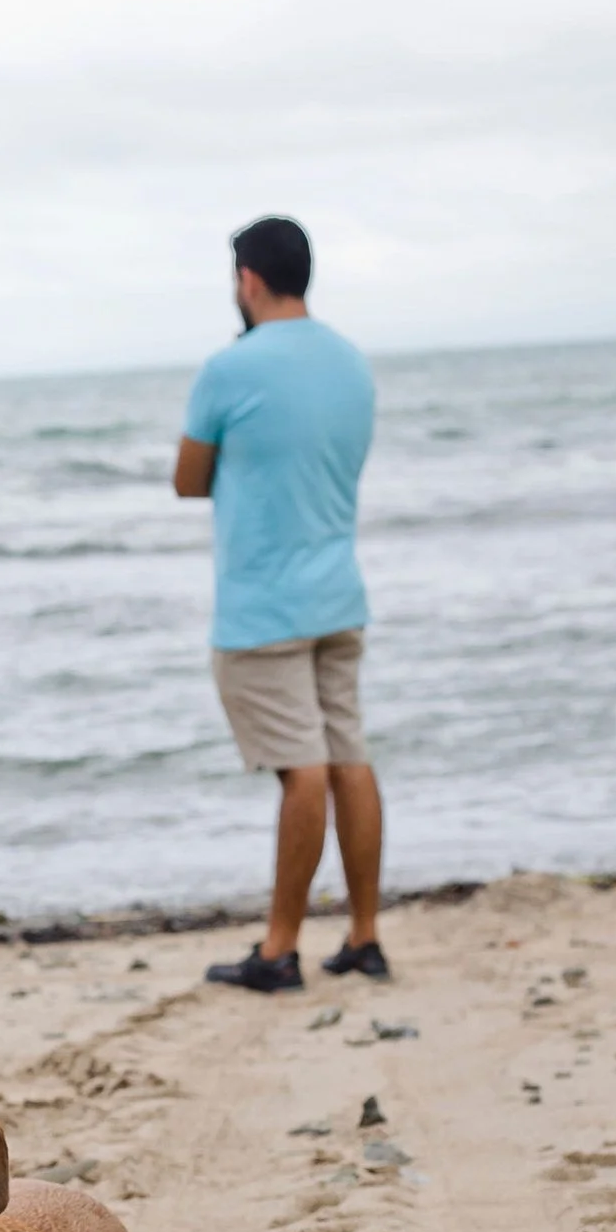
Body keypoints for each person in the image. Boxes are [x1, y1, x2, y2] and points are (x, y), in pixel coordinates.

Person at [174, 215, 387, 994]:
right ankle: (364, 936)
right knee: (348, 757)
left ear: (249, 279)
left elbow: (188, 478)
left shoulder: (230, 368)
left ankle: (279, 948)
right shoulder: (351, 363)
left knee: (302, 771)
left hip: (264, 605)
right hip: (339, 592)